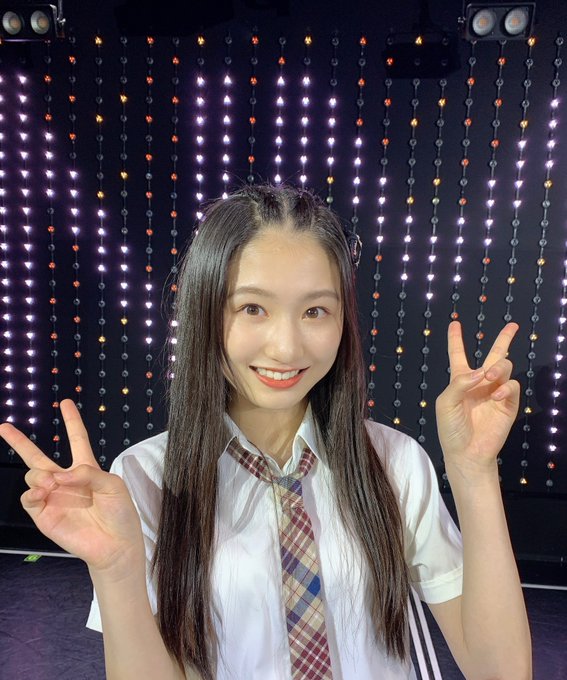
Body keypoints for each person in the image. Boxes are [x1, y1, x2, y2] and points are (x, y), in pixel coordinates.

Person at [0, 185, 531, 680]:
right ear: (205, 310)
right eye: (252, 308)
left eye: (315, 311)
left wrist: (473, 471)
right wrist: (116, 571)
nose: (286, 347)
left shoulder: (394, 463)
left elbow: (501, 671)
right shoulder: (144, 477)